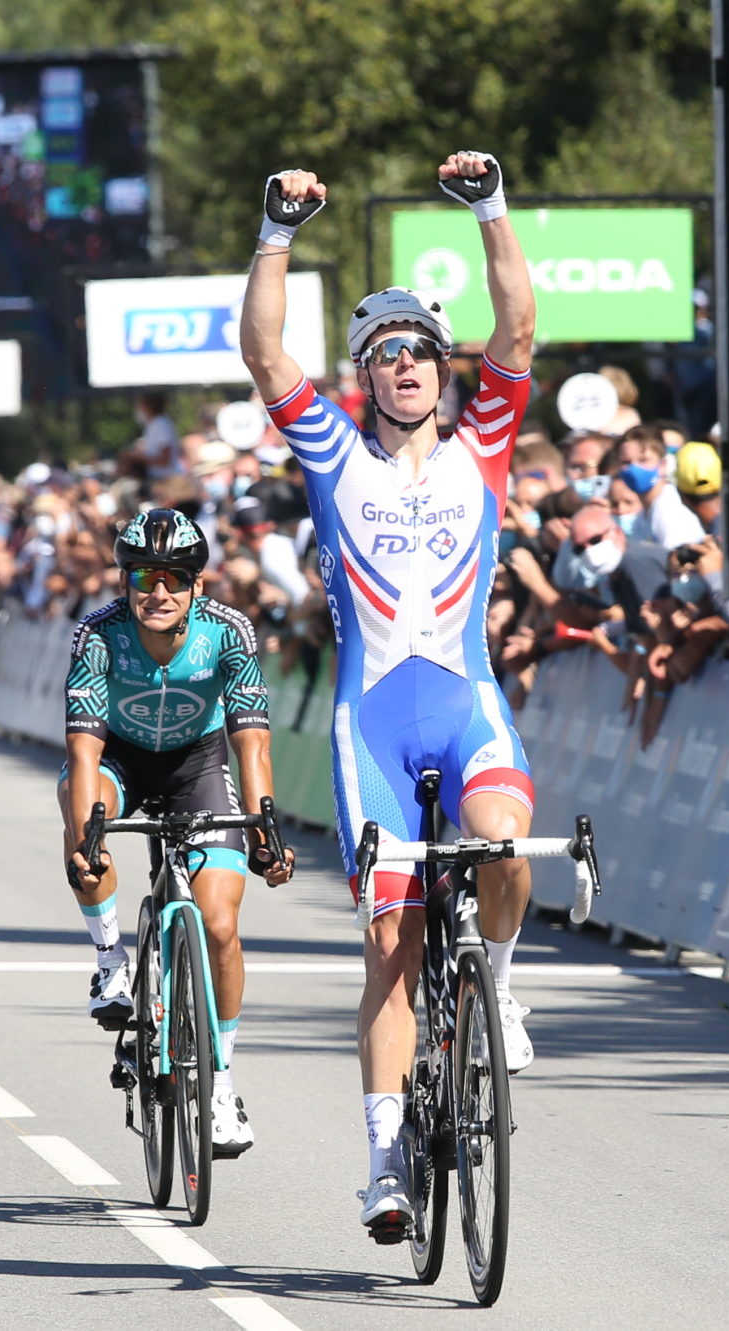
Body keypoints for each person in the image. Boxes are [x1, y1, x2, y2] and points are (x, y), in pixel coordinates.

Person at [240, 149, 540, 1240]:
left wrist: (490, 210)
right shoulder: (328, 449)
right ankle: (382, 1166)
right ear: (364, 377)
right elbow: (264, 348)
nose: (405, 365)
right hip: (371, 724)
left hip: (464, 703)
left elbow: (516, 326)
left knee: (505, 847)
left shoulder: (486, 443)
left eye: (419, 350)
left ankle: (497, 984)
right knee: (391, 951)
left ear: (441, 371)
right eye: (383, 354)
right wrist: (275, 233)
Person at [61, 507, 295, 1159]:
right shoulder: (99, 636)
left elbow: (252, 742)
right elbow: (82, 754)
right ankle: (110, 960)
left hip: (200, 762)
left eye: (173, 577)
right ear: (124, 578)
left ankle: (221, 1085)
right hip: (120, 758)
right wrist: (89, 840)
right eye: (142, 576)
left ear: (196, 582)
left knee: (220, 922)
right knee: (82, 812)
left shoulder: (228, 634)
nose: (157, 591)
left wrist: (264, 826)